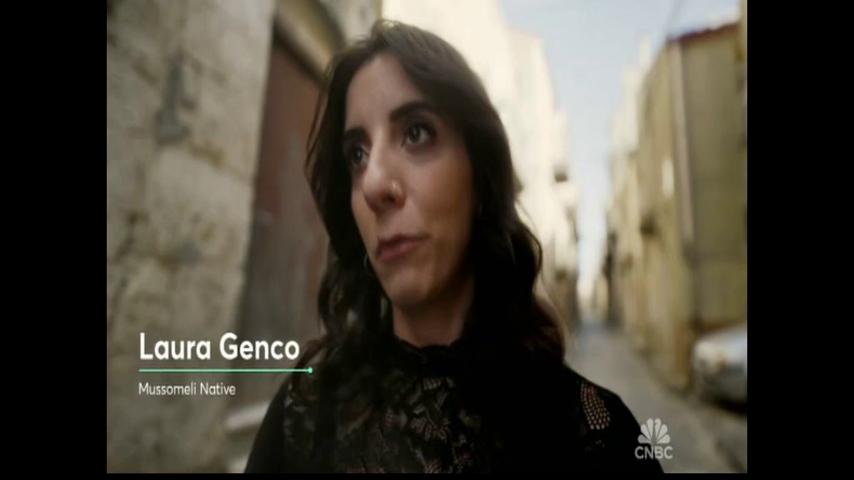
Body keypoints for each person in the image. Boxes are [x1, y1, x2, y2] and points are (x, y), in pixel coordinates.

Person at [246, 19, 663, 474]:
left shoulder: (597, 434)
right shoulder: (304, 417)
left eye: (416, 133)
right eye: (357, 155)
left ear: (480, 179)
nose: (374, 184)